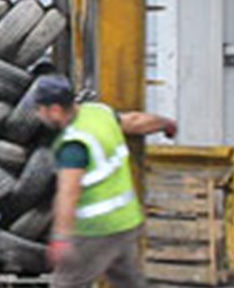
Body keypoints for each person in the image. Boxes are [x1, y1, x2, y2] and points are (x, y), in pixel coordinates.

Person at [30, 75, 177, 288]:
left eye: (39, 109)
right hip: (126, 222)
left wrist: (60, 238)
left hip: (96, 231)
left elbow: (68, 193)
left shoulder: (74, 144)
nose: (37, 115)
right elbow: (134, 121)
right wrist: (165, 124)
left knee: (66, 283)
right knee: (129, 281)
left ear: (54, 110)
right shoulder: (99, 113)